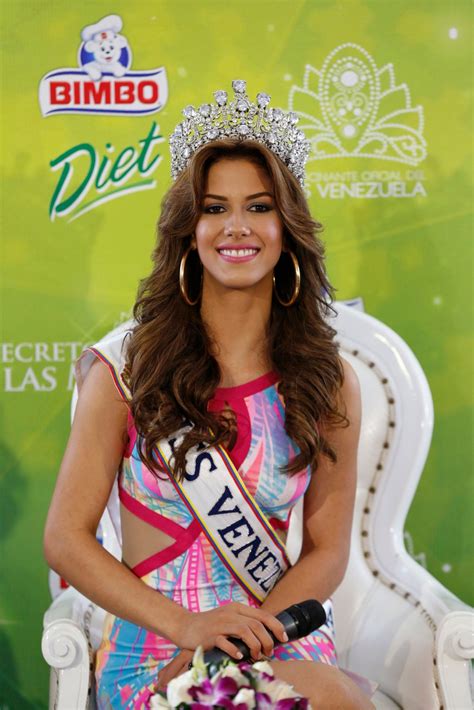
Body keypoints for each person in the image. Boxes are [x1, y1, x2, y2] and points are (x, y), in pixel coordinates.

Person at [44, 79, 374, 709]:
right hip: (157, 644)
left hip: (278, 633)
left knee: (321, 696)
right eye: (214, 208)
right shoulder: (128, 371)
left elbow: (328, 550)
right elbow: (65, 538)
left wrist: (242, 643)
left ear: (287, 226)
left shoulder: (329, 382)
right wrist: (189, 631)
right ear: (187, 229)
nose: (237, 227)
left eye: (259, 206)